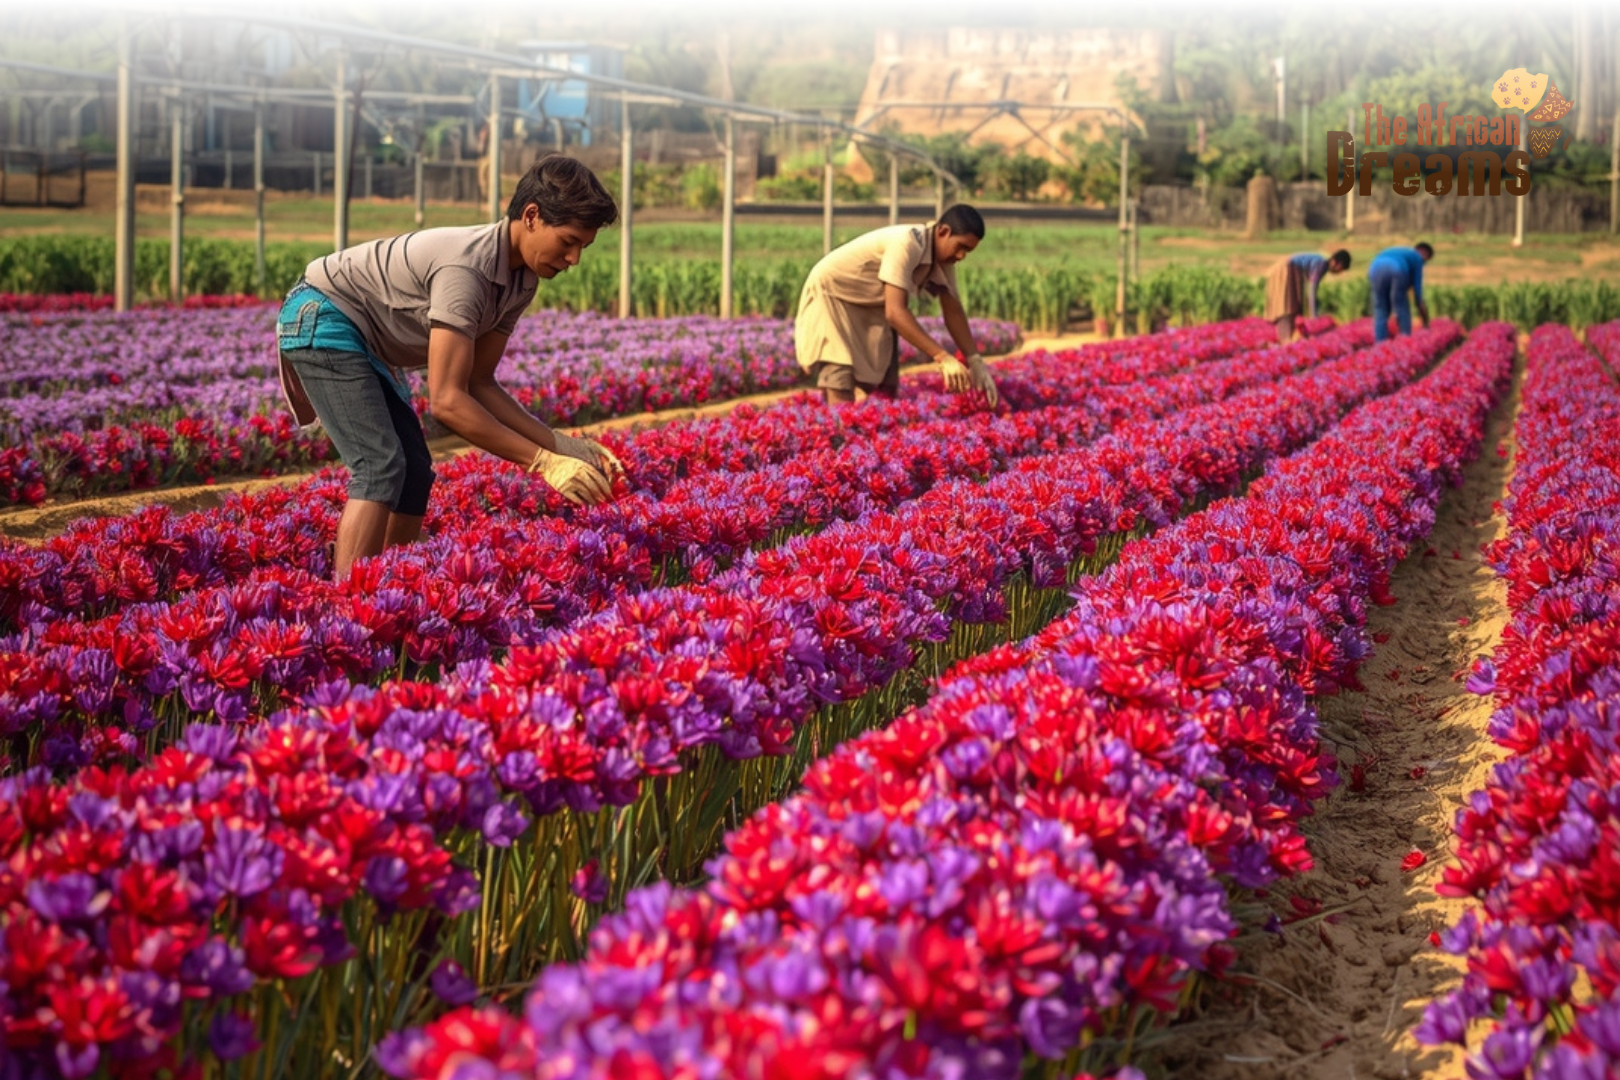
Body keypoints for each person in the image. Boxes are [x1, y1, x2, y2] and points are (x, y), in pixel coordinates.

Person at [277, 154, 622, 581]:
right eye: (568, 241)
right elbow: (448, 401)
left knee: (415, 472)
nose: (573, 259)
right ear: (531, 217)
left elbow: (479, 381)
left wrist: (558, 445)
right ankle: (349, 601)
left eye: (582, 248)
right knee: (380, 465)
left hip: (366, 339)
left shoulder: (522, 279)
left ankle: (387, 582)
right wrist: (541, 463)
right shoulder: (467, 270)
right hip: (325, 316)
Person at [794, 204, 998, 406]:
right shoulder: (907, 242)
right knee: (840, 372)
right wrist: (942, 356)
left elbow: (953, 310)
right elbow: (895, 312)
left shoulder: (944, 259)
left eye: (968, 251)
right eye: (960, 246)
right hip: (834, 295)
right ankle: (839, 432)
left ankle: (880, 429)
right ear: (943, 232)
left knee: (886, 381)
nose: (961, 256)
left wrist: (974, 360)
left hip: (870, 302)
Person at [1263, 248, 1351, 343]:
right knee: (1286, 306)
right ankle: (1285, 340)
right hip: (1285, 270)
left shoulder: (1322, 264)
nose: (1339, 272)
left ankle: (1286, 339)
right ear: (1335, 262)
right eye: (1341, 268)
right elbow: (1312, 290)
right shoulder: (1321, 264)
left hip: (1288, 270)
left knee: (1293, 306)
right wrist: (1314, 316)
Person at [1368, 242, 1434, 343]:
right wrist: (1425, 320)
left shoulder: (1402, 253)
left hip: (1374, 268)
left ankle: (1380, 344)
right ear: (1424, 253)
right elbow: (1417, 290)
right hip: (1396, 269)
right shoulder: (1417, 258)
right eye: (1426, 259)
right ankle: (1404, 342)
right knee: (1401, 306)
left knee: (1381, 309)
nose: (1424, 262)